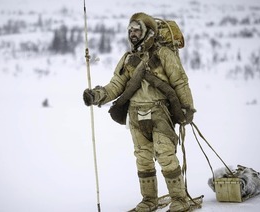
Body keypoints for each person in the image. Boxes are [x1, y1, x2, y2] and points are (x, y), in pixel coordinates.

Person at [83, 12, 196, 212]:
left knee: (165, 154)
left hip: (160, 112)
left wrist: (187, 107)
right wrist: (97, 96)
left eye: (137, 29)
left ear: (148, 32)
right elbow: (115, 85)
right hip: (135, 115)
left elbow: (180, 81)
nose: (132, 33)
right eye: (130, 30)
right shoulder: (127, 60)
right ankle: (148, 200)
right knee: (142, 158)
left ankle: (179, 199)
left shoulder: (163, 55)